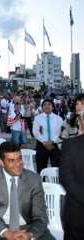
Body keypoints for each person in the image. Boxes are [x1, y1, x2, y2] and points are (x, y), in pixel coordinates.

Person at [0, 141, 54, 240]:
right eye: (11, 160)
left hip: (27, 227)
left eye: (19, 159)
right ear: (2, 162)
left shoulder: (34, 179)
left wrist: (30, 235)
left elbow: (40, 215)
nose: (18, 164)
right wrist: (6, 232)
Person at [60, 94, 84, 240]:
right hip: (77, 214)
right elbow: (66, 177)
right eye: (77, 104)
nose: (78, 107)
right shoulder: (71, 142)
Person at [32, 99, 63, 173]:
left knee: (57, 168)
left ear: (53, 107)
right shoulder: (38, 118)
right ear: (42, 108)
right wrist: (44, 142)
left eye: (49, 104)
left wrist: (52, 141)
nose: (47, 106)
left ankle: (56, 183)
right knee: (41, 168)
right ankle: (42, 183)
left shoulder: (58, 119)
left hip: (54, 145)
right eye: (44, 105)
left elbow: (60, 132)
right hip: (41, 144)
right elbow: (35, 132)